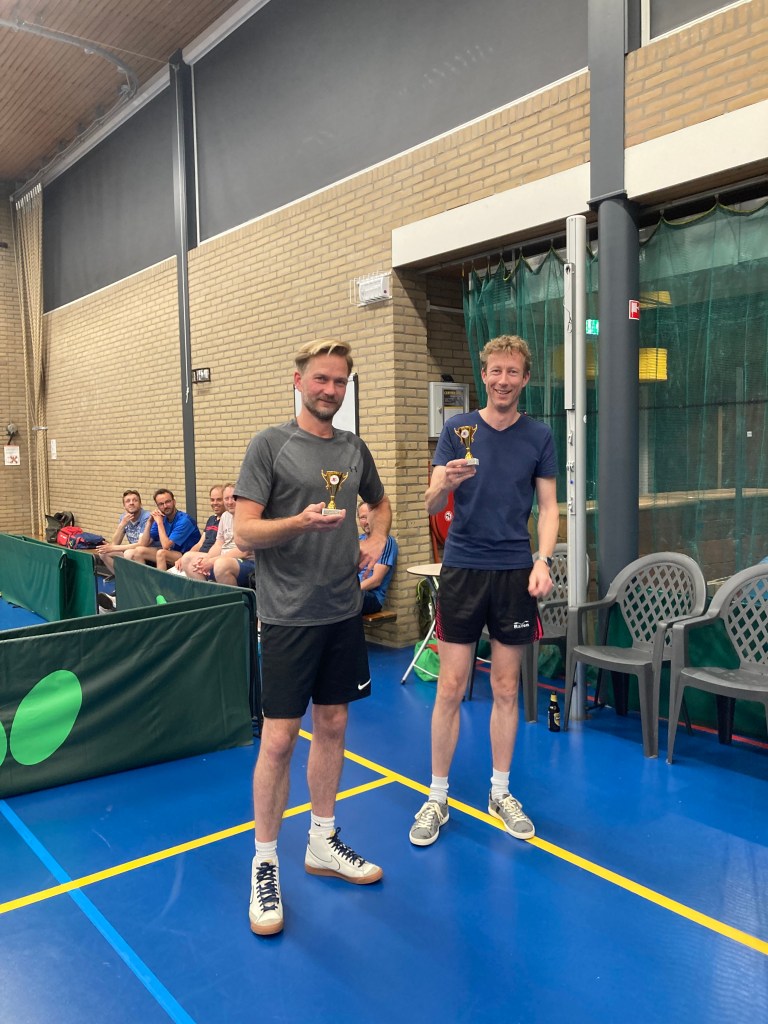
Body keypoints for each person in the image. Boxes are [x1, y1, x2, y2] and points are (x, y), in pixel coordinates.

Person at [234, 338, 392, 937]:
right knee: (278, 741)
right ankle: (265, 863)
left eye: (340, 381)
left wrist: (375, 540)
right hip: (287, 617)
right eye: (321, 379)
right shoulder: (269, 445)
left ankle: (322, 842)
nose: (330, 390)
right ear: (298, 381)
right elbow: (245, 533)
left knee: (333, 725)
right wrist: (298, 522)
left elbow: (380, 504)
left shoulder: (353, 448)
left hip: (341, 612)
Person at [409, 334, 559, 849]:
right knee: (450, 686)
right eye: (495, 371)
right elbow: (430, 504)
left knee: (506, 688)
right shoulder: (457, 430)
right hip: (463, 570)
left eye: (512, 372)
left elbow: (548, 508)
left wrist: (543, 560)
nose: (503, 380)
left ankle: (500, 791)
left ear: (525, 378)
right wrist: (445, 484)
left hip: (514, 572)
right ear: (484, 374)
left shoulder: (539, 436)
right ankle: (437, 796)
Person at [124, 489, 200, 569]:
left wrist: (160, 523)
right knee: (139, 550)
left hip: (188, 555)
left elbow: (166, 546)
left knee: (162, 553)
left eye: (168, 502)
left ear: (174, 502)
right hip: (172, 553)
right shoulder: (161, 518)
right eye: (161, 504)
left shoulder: (184, 520)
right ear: (158, 506)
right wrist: (149, 522)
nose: (165, 506)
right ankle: (144, 577)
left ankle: (159, 578)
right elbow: (144, 543)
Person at [95, 490, 151, 575]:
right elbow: (115, 543)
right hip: (132, 550)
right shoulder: (124, 517)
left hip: (147, 551)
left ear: (140, 504)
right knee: (103, 553)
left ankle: (137, 581)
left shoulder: (146, 517)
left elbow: (141, 544)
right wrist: (121, 525)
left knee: (129, 553)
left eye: (135, 500)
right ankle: (122, 578)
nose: (131, 503)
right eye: (128, 501)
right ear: (124, 506)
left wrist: (113, 547)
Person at [357, 502, 398, 614]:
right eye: (363, 517)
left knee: (341, 600)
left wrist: (349, 591)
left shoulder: (386, 542)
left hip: (372, 597)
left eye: (370, 516)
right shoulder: (358, 540)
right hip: (352, 592)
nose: (367, 521)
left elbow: (376, 580)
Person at [177, 485, 225, 577]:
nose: (215, 503)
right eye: (212, 500)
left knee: (187, 565)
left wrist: (188, 558)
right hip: (199, 555)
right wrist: (183, 557)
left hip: (211, 558)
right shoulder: (211, 519)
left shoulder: (227, 521)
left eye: (219, 500)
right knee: (174, 573)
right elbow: (200, 544)